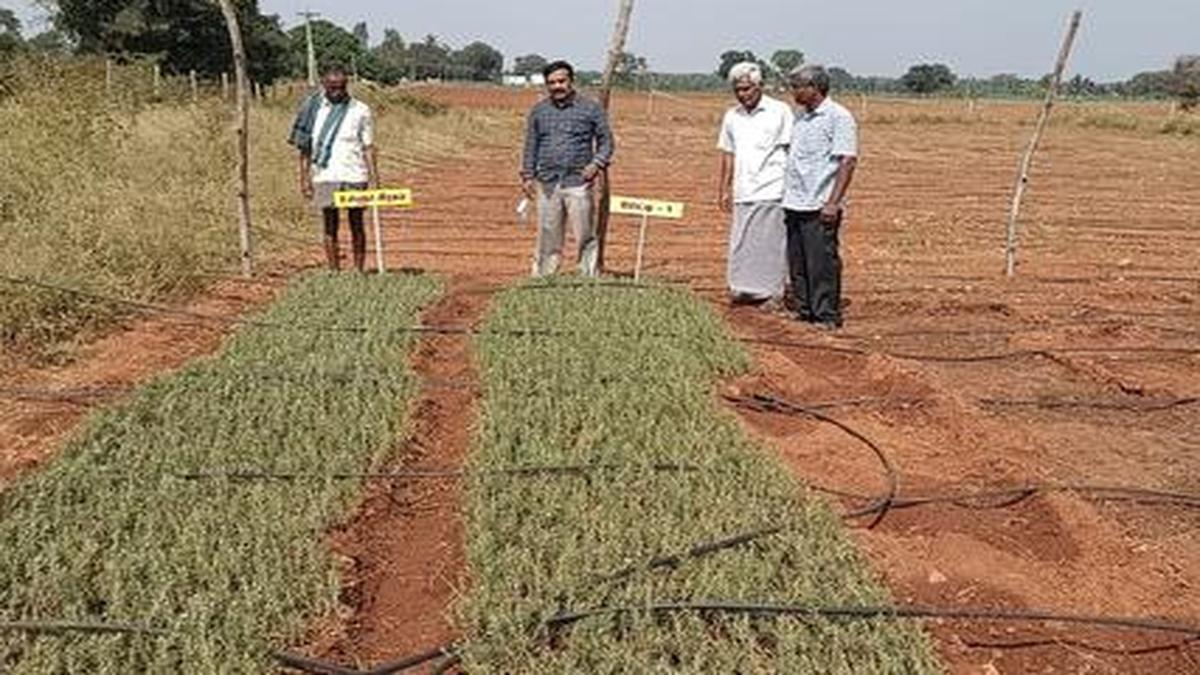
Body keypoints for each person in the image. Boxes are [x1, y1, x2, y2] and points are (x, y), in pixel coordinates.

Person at [520, 60, 615, 277]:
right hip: (548, 182)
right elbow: (530, 145)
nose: (556, 86)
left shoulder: (591, 109)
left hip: (578, 182)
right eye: (551, 83)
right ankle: (544, 275)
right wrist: (527, 175)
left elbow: (607, 142)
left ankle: (588, 275)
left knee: (585, 233)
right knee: (548, 232)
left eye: (561, 81)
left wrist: (596, 164)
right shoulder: (539, 111)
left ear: (571, 81)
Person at [782, 64, 858, 329]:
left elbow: (847, 161)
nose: (793, 92)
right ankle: (805, 310)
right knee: (798, 261)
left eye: (797, 87)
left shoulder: (838, 117)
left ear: (814, 88)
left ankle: (826, 315)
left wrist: (833, 202)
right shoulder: (800, 118)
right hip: (794, 201)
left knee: (822, 263)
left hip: (820, 203)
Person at [716, 61, 792, 308]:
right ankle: (743, 288)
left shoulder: (780, 111)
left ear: (759, 86)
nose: (742, 94)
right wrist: (724, 189)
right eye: (738, 90)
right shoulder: (732, 116)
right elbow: (728, 154)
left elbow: (790, 150)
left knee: (771, 243)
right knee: (742, 240)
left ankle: (773, 292)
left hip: (772, 186)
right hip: (743, 188)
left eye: (747, 89)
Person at [291, 65, 379, 272]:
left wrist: (374, 178)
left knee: (356, 222)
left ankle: (359, 271)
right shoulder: (313, 109)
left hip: (355, 175)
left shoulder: (360, 110)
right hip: (325, 176)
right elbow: (305, 149)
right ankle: (334, 272)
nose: (337, 92)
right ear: (324, 85)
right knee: (329, 224)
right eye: (332, 88)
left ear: (346, 85)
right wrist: (304, 179)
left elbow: (368, 147)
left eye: (340, 87)